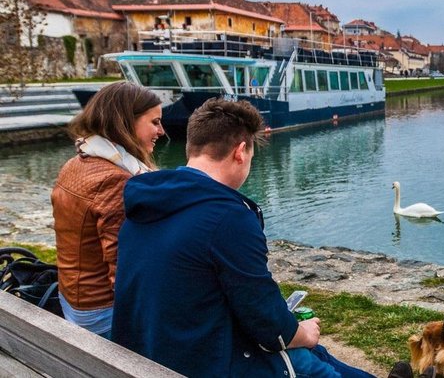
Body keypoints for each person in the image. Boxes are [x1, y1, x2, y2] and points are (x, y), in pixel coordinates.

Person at [112, 98, 392, 377]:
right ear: (241, 152)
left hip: (149, 355)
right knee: (309, 355)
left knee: (313, 353)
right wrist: (302, 333)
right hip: (203, 363)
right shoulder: (227, 217)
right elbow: (268, 324)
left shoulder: (147, 202)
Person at [51, 81, 164, 338]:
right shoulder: (116, 180)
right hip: (100, 312)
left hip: (73, 298)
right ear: (125, 122)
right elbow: (123, 267)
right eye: (154, 122)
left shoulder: (77, 162)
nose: (162, 131)